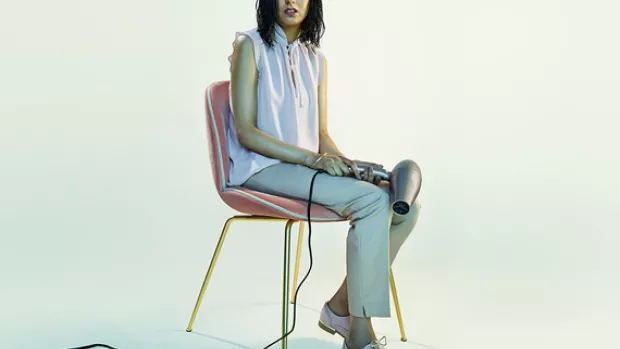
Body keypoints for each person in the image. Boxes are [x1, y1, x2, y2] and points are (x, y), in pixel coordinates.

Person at [226, 1, 422, 348]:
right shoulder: (249, 46)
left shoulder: (315, 60)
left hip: (303, 167)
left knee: (402, 207)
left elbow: (321, 135)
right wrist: (313, 161)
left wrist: (352, 168)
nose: (291, 1)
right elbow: (246, 131)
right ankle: (359, 331)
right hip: (260, 169)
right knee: (372, 202)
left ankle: (341, 305)